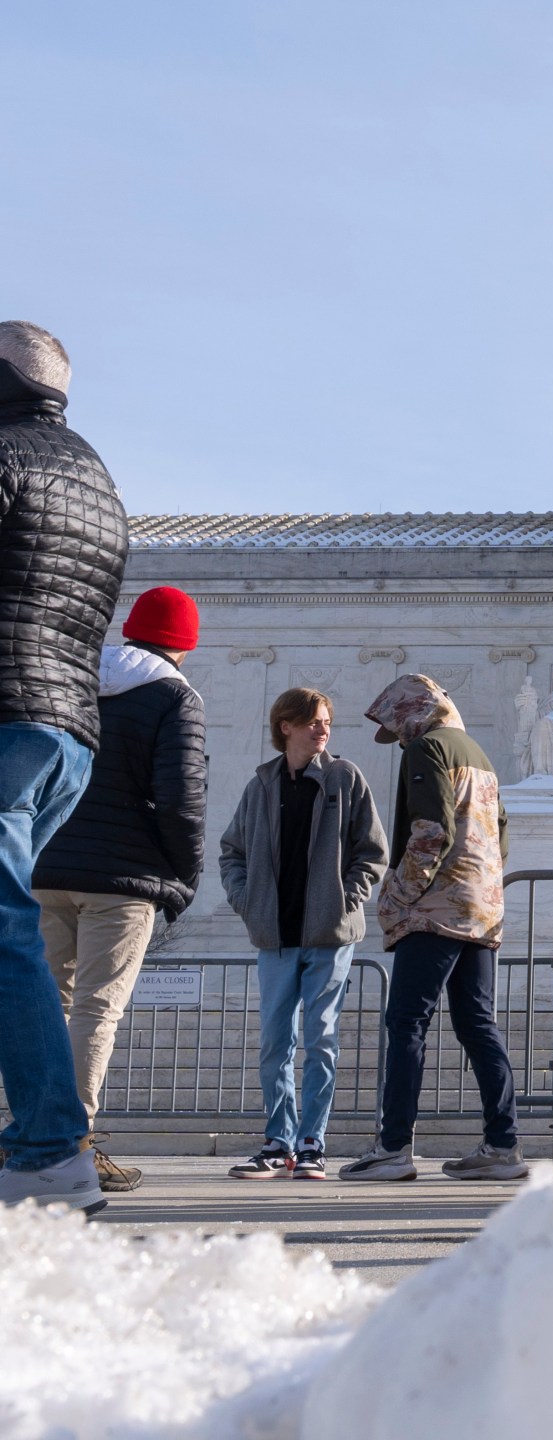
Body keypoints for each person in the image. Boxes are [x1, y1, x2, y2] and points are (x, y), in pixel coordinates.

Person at [0, 321, 130, 1215]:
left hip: (7, 721)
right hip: (69, 733)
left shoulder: (4, 455)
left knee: (5, 933)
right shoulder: (94, 476)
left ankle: (48, 1150)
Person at [31, 586, 206, 1194]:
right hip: (120, 879)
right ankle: (73, 1147)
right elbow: (182, 799)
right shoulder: (173, 697)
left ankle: (30, 1136)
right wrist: (185, 875)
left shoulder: (75, 680)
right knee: (96, 1009)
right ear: (185, 645)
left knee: (45, 1004)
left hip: (46, 867)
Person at [342, 674, 523, 1184]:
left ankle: (394, 1147)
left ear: (415, 712)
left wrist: (397, 894)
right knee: (478, 1025)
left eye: (398, 725)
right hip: (483, 908)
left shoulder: (427, 748)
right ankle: (503, 1145)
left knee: (406, 1022)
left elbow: (431, 831)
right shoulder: (478, 754)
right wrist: (479, 883)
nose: (399, 737)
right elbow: (502, 835)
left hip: (435, 909)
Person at [218, 689, 387, 1180]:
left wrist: (346, 899)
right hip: (273, 935)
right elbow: (232, 852)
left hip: (329, 935)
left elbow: (373, 852)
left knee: (322, 1039)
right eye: (313, 721)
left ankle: (312, 1142)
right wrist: (247, 902)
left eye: (327, 721)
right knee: (275, 1042)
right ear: (285, 725)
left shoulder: (344, 777)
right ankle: (278, 1142)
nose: (323, 729)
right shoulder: (261, 785)